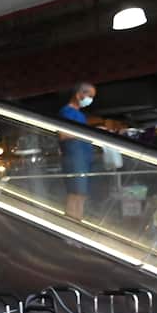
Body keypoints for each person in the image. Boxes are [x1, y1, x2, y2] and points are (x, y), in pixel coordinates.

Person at [59, 83, 98, 221]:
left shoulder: (80, 115)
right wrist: (87, 134)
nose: (91, 99)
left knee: (81, 194)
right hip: (74, 158)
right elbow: (63, 134)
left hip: (83, 159)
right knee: (74, 193)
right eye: (90, 96)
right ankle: (70, 225)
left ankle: (78, 222)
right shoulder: (67, 112)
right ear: (78, 94)